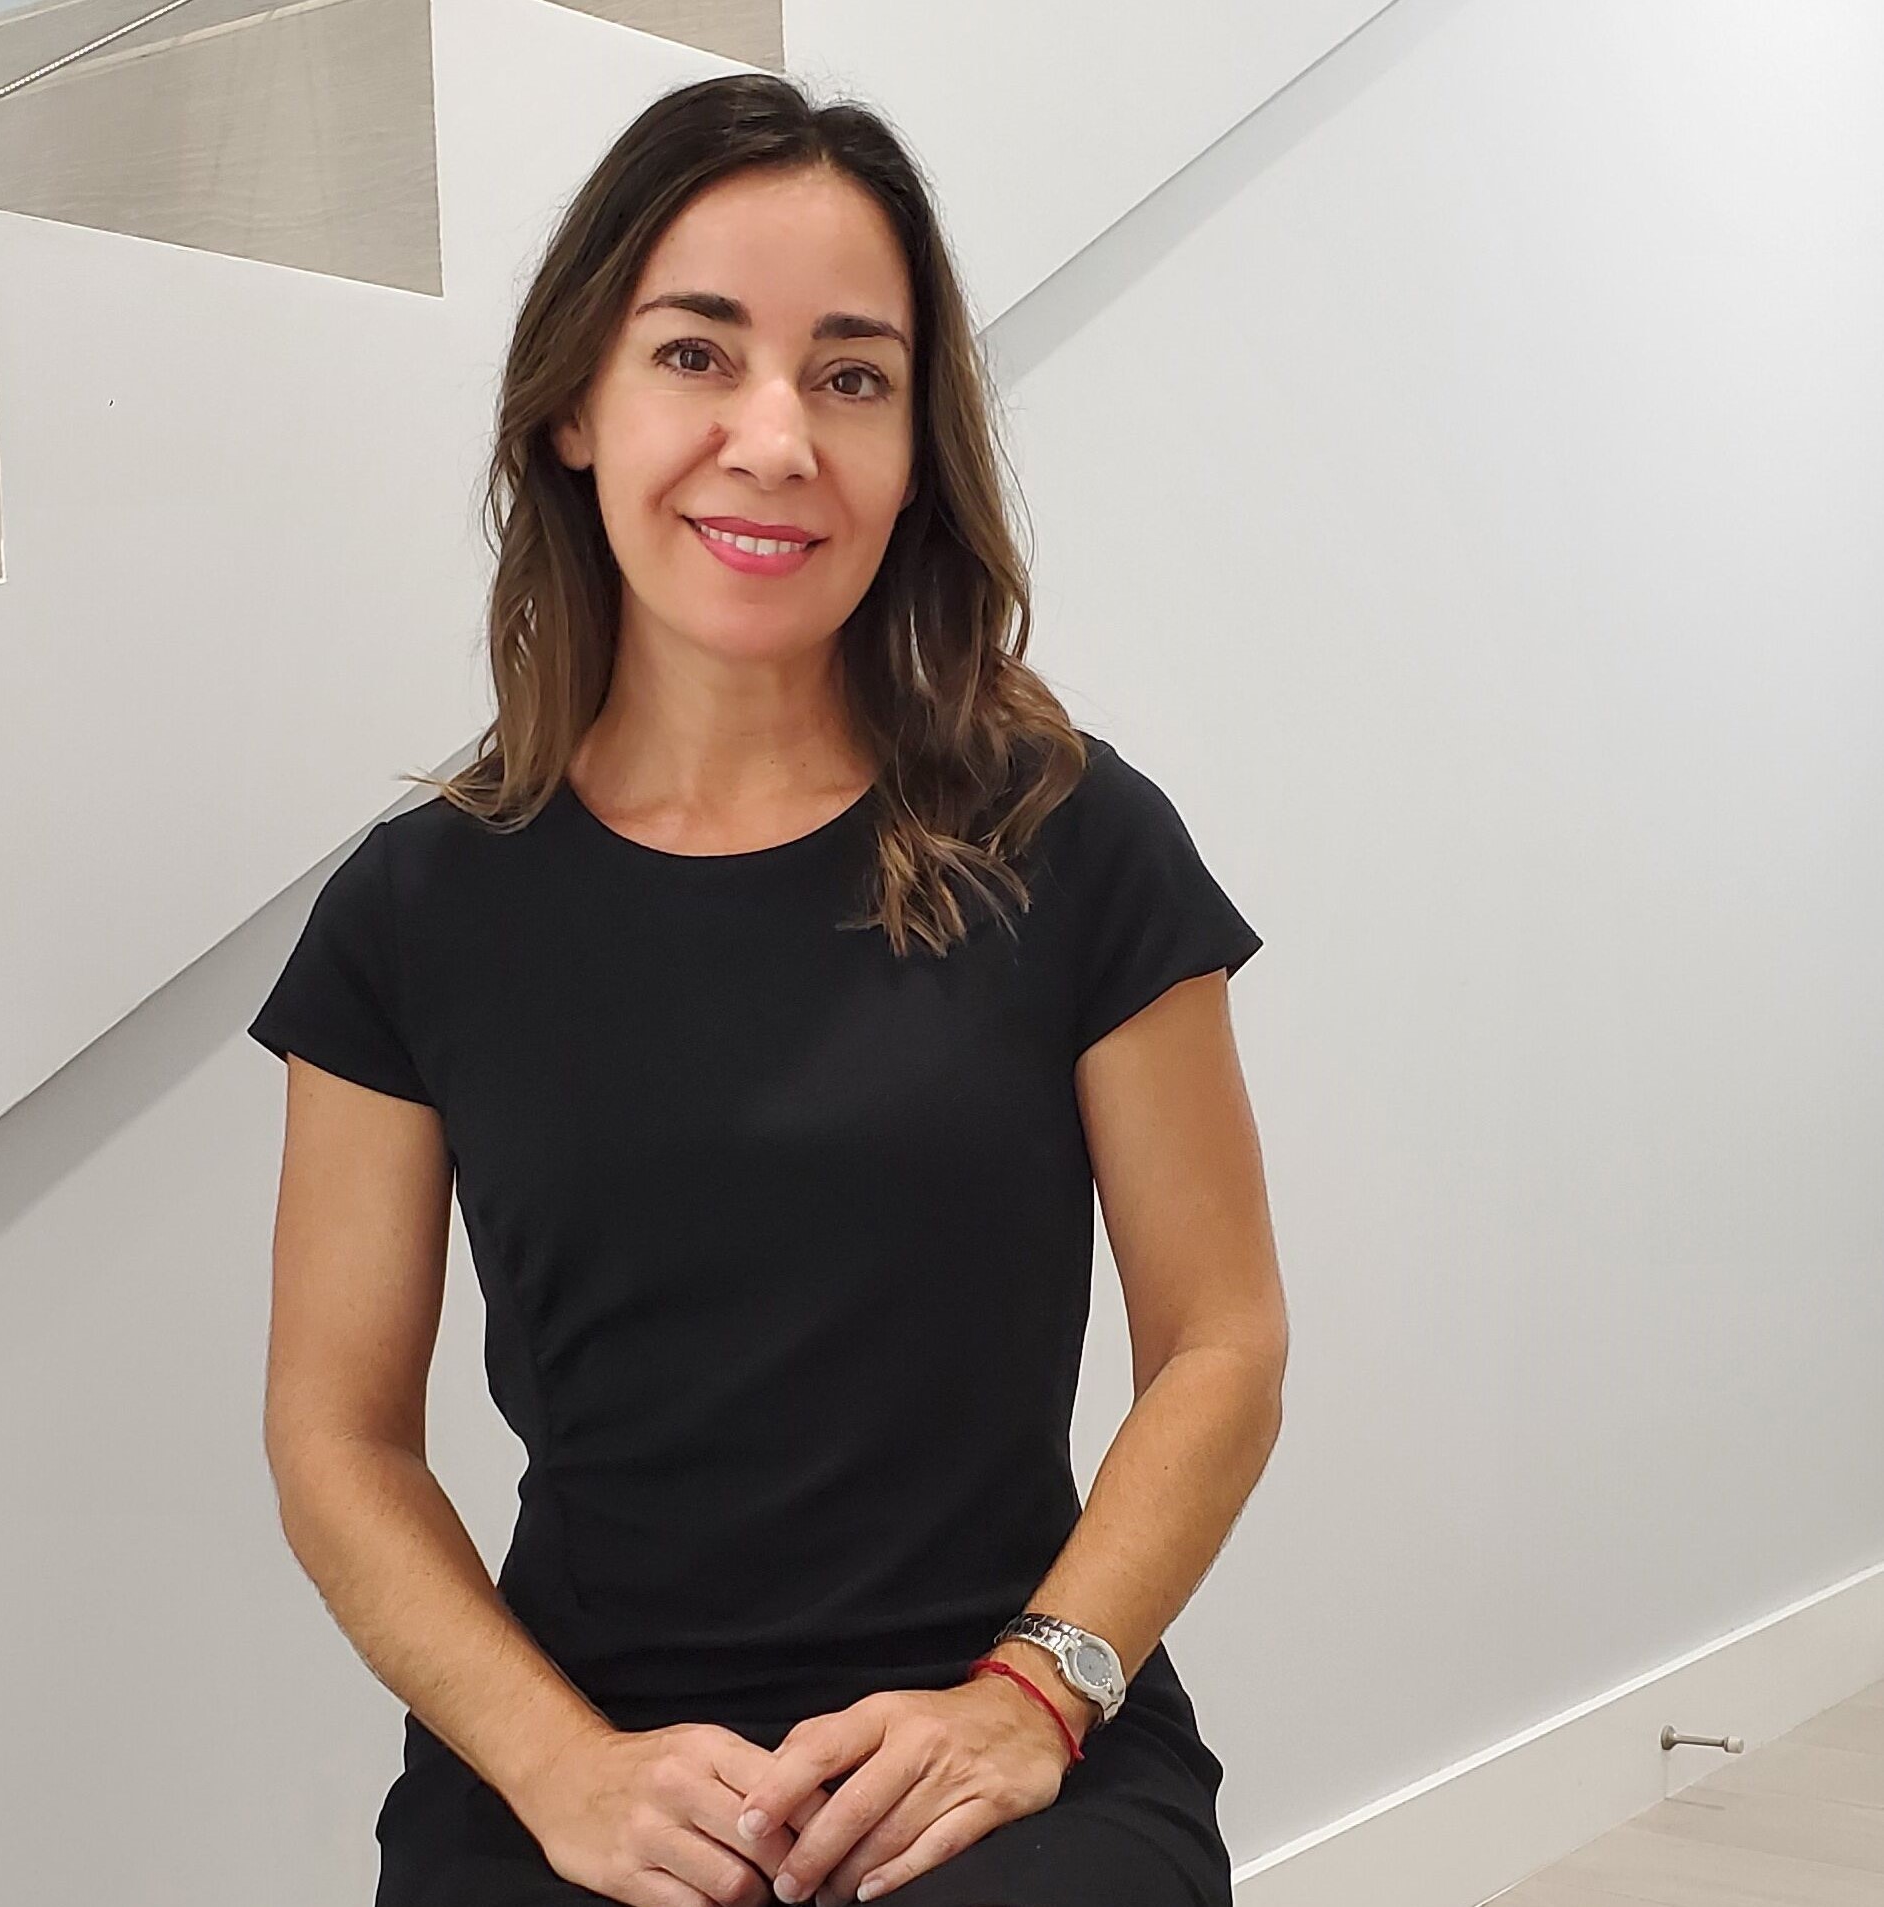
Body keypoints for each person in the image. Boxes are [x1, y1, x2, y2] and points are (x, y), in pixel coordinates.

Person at [248, 71, 1288, 1907]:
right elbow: (336, 1436)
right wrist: (556, 1764)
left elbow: (1220, 1345)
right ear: (576, 402)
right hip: (577, 1742)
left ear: (912, 447)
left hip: (1004, 1729)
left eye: (850, 375)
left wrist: (1033, 1699)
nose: (774, 437)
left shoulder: (1072, 841)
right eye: (697, 354)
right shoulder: (410, 913)